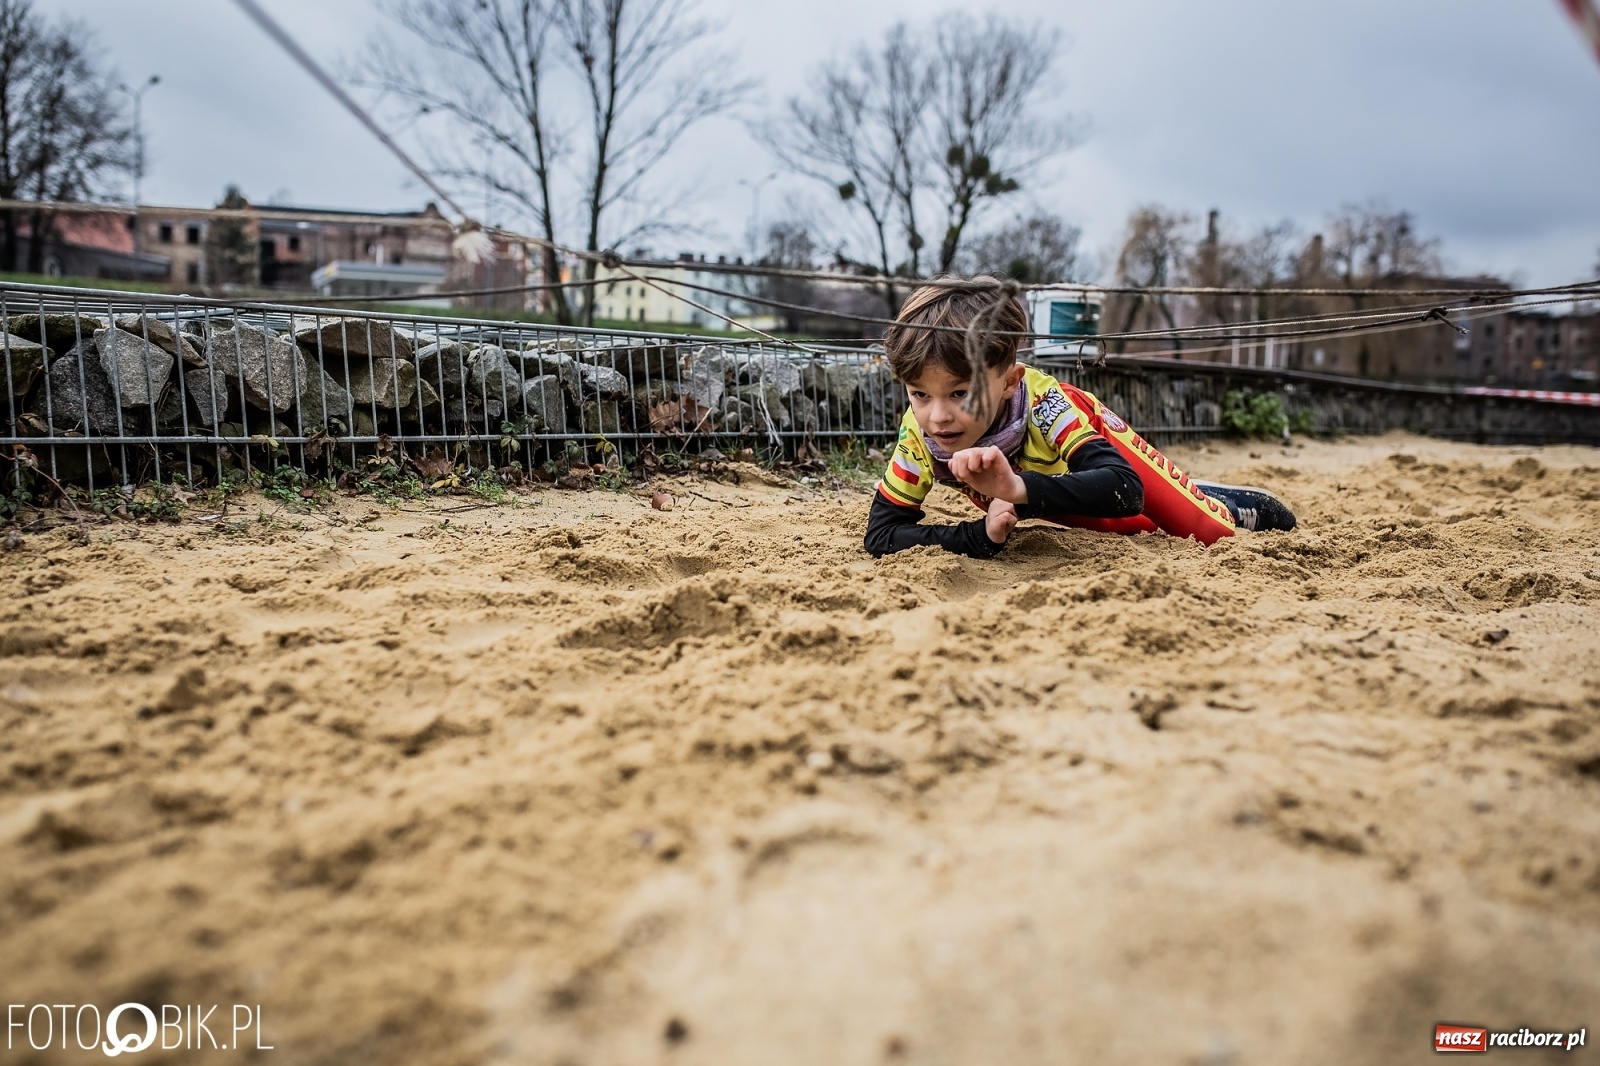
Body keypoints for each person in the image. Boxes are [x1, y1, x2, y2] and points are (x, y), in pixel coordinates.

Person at [864, 280, 1296, 559]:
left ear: (1010, 382)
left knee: (1209, 532)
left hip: (1101, 467)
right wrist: (978, 536)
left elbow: (1125, 489)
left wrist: (1017, 490)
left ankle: (1210, 498)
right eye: (920, 394)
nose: (938, 417)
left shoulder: (1046, 405)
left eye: (960, 393)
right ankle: (1185, 488)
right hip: (1052, 492)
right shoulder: (919, 432)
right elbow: (881, 535)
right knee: (1134, 528)